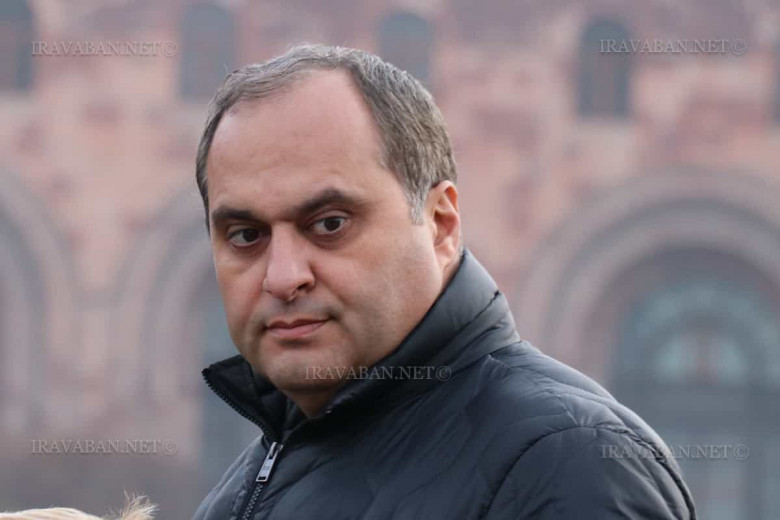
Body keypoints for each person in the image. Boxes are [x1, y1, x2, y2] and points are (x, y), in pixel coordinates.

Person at [192, 44, 696, 519]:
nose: (283, 277)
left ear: (440, 224)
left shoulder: (573, 463)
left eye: (329, 224)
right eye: (246, 235)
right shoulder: (251, 482)